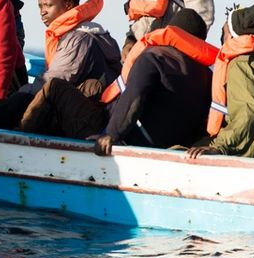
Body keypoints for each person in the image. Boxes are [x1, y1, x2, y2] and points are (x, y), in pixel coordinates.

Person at [0, 0, 121, 130]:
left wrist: (20, 96)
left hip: (94, 119)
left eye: (48, 5)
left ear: (68, 5)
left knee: (26, 97)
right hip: (87, 110)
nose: (42, 12)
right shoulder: (75, 34)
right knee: (24, 95)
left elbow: (52, 80)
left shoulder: (79, 39)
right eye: (40, 6)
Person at [93, 9, 217, 155]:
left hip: (138, 141)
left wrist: (111, 134)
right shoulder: (209, 76)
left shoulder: (154, 57)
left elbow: (134, 98)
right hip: (179, 149)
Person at [187, 3, 254, 159]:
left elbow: (250, 111)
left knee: (178, 150)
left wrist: (221, 147)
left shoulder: (243, 64)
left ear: (232, 36)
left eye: (224, 32)